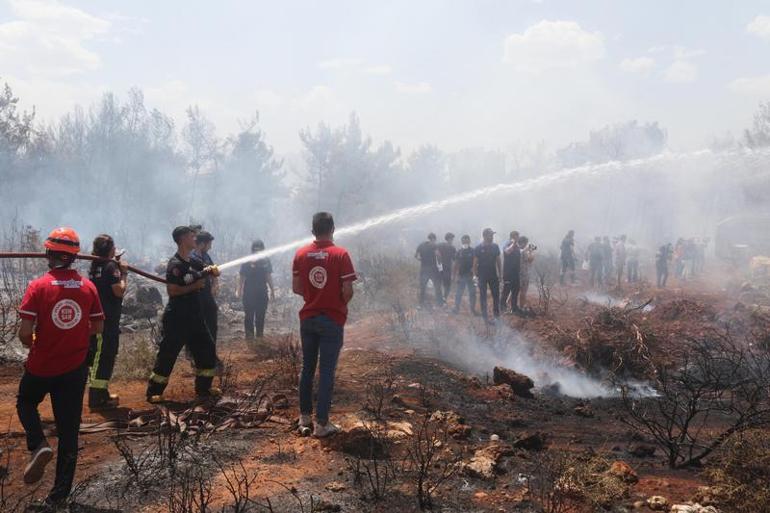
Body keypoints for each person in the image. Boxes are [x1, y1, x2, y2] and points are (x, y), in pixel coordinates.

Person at [16, 227, 104, 509]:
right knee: (69, 431)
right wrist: (75, 334)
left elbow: (24, 333)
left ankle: (38, 443)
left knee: (26, 401)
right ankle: (58, 497)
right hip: (74, 368)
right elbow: (98, 325)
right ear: (74, 258)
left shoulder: (38, 287)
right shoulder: (88, 287)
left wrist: (37, 340)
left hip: (42, 365)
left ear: (48, 254)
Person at [292, 212, 356, 437]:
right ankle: (321, 424)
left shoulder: (300, 254)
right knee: (327, 371)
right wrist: (337, 302)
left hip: (308, 318)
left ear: (313, 231)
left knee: (307, 369)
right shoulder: (341, 254)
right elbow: (347, 290)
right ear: (333, 229)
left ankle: (304, 419)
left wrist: (314, 296)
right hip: (332, 319)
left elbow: (297, 288)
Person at [146, 226, 220, 403]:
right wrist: (195, 286)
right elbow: (172, 290)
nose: (195, 238)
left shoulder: (193, 262)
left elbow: (204, 270)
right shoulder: (175, 264)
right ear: (182, 239)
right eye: (191, 236)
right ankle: (154, 392)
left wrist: (212, 271)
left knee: (207, 351)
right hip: (177, 318)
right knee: (168, 354)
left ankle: (203, 389)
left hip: (195, 316)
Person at [87, 234, 128, 410]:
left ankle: (102, 394)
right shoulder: (111, 267)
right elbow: (119, 291)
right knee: (103, 356)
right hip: (107, 318)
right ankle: (96, 399)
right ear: (111, 250)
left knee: (102, 356)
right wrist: (124, 273)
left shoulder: (95, 264)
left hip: (99, 316)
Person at [238, 240, 275, 341]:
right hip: (249, 293)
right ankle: (249, 338)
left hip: (262, 293)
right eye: (255, 248)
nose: (257, 250)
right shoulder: (247, 260)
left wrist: (272, 290)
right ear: (252, 249)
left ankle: (259, 337)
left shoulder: (266, 260)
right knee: (249, 316)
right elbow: (242, 276)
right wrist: (239, 290)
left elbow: (268, 276)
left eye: (259, 248)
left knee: (260, 316)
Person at [192, 231, 219, 346]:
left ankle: (210, 349)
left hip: (206, 293)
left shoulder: (206, 256)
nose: (211, 247)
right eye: (209, 244)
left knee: (212, 318)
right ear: (202, 244)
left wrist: (215, 284)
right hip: (195, 295)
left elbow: (213, 272)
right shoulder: (191, 257)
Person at [474, 228, 502, 324]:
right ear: (485, 236)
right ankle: (485, 317)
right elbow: (475, 262)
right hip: (482, 275)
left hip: (493, 274)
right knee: (483, 296)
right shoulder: (478, 248)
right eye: (491, 235)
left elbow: (498, 261)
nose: (492, 237)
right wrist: (474, 275)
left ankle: (497, 315)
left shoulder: (495, 246)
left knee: (496, 295)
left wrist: (500, 274)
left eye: (493, 235)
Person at [415, 233, 442, 307]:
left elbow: (416, 256)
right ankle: (440, 303)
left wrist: (422, 259)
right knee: (437, 286)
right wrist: (440, 265)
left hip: (424, 269)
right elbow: (438, 255)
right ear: (433, 239)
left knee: (423, 287)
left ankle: (421, 304)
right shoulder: (434, 245)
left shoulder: (421, 245)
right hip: (433, 269)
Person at [452, 235, 477, 315]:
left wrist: (475, 275)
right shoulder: (459, 252)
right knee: (459, 293)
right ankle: (456, 309)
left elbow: (476, 263)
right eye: (464, 241)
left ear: (469, 241)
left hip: (471, 276)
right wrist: (454, 275)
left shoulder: (473, 251)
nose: (465, 242)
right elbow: (456, 264)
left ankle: (473, 310)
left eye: (467, 241)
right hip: (461, 276)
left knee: (472, 293)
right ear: (461, 242)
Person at [500, 231, 521, 314]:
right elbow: (507, 251)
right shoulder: (507, 243)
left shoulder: (517, 246)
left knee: (516, 290)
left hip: (516, 272)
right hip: (508, 272)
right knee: (506, 290)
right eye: (517, 236)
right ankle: (502, 307)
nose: (518, 238)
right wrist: (513, 243)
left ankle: (514, 307)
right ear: (513, 236)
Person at [436, 233, 456, 302]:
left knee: (441, 283)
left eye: (452, 239)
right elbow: (454, 259)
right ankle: (443, 298)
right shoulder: (452, 247)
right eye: (451, 238)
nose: (452, 240)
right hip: (445, 268)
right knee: (446, 285)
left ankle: (442, 298)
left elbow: (436, 252)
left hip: (442, 268)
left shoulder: (440, 245)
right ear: (449, 239)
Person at [518, 236, 535, 313]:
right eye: (526, 243)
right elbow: (530, 259)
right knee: (523, 291)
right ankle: (521, 307)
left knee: (515, 291)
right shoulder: (523, 251)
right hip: (524, 273)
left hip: (518, 273)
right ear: (523, 243)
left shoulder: (517, 250)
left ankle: (506, 305)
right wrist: (531, 251)